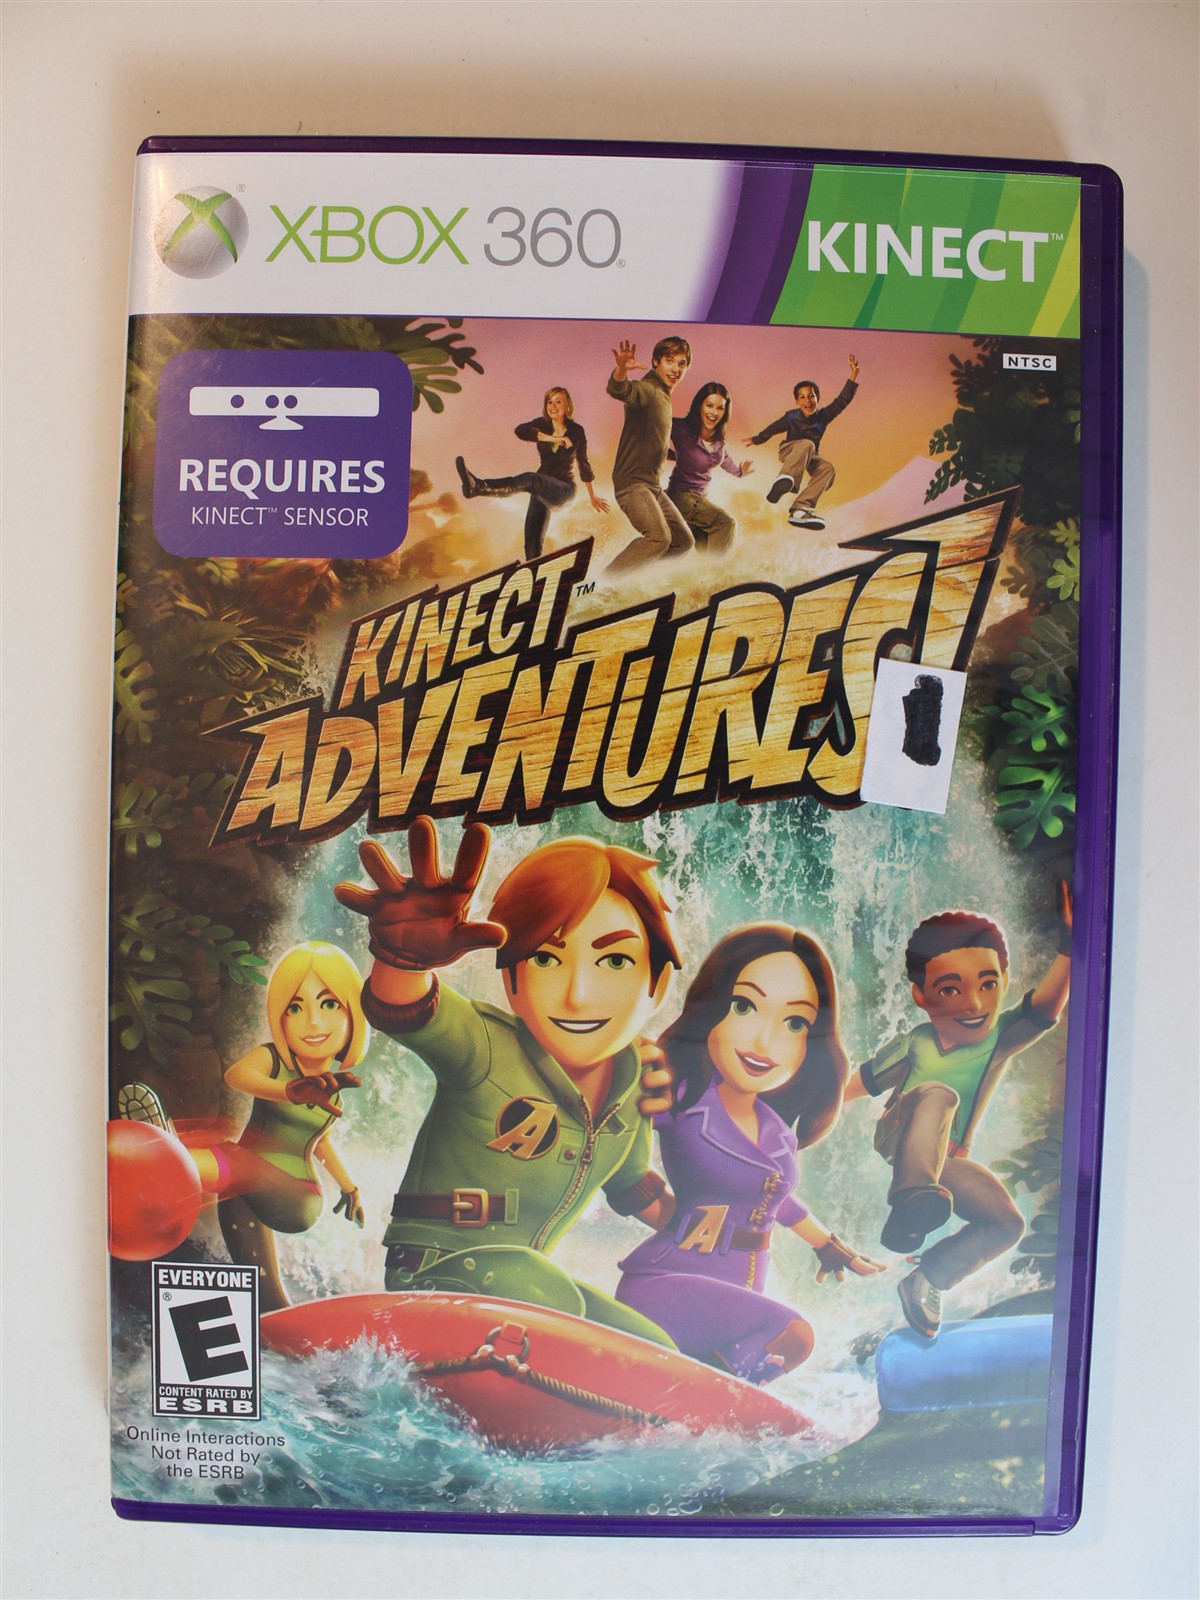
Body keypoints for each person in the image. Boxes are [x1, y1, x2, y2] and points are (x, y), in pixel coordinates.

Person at [333, 816, 681, 1345]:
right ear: (511, 975)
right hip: (434, 1273)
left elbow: (631, 1186)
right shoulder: (485, 1045)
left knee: (656, 1348)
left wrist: (709, 1228)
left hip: (528, 1288)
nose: (578, 995)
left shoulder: (634, 1084)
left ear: (658, 981)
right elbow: (406, 1008)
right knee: (550, 1298)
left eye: (615, 960)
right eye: (545, 958)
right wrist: (402, 958)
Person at [616, 924, 883, 1383]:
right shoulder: (679, 1097)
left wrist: (828, 1245)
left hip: (738, 1287)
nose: (764, 1042)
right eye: (743, 1006)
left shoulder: (776, 1131)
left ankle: (703, 1407)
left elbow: (777, 1196)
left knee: (732, 1373)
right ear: (712, 1008)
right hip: (669, 1284)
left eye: (794, 1024)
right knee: (793, 1336)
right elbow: (615, 1153)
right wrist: (670, 1216)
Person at [844, 885, 1072, 1339]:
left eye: (988, 985)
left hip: (945, 1162)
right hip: (899, 1137)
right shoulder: (915, 1043)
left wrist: (1070, 946)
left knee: (1007, 1223)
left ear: (1005, 980)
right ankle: (910, 1201)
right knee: (939, 1095)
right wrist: (792, 1113)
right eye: (950, 989)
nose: (973, 1004)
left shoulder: (999, 1039)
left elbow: (1045, 1008)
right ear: (921, 995)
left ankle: (927, 1279)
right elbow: (856, 1084)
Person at [116, 942, 370, 1312]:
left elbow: (322, 1143)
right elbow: (237, 1076)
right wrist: (288, 1091)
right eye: (295, 1008)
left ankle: (175, 1159)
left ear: (352, 1014)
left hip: (297, 1196)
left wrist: (351, 1188)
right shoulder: (271, 1060)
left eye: (329, 1004)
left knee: (234, 1160)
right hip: (245, 1186)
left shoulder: (333, 1096)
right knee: (246, 1241)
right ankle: (274, 1318)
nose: (313, 1022)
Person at [454, 386, 609, 562]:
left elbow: (584, 463)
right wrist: (553, 438)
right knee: (531, 544)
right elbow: (520, 430)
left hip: (563, 490)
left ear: (567, 406)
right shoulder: (542, 424)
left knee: (530, 479)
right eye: (550, 402)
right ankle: (534, 571)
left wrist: (592, 497)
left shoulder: (576, 431)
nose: (553, 406)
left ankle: (478, 487)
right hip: (540, 489)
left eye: (558, 402)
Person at [604, 335, 696, 572]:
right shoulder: (650, 389)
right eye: (669, 361)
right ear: (656, 361)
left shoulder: (663, 396)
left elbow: (652, 438)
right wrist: (621, 370)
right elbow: (621, 389)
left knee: (683, 542)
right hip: (632, 485)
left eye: (681, 363)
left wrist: (676, 456)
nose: (675, 369)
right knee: (659, 538)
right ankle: (605, 582)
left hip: (652, 486)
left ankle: (638, 578)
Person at [744, 353, 860, 531]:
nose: (808, 401)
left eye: (811, 396)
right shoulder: (791, 416)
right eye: (803, 397)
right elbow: (774, 428)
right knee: (807, 444)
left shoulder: (824, 416)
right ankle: (784, 479)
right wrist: (756, 439)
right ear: (797, 402)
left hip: (809, 455)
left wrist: (853, 376)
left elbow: (842, 401)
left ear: (817, 398)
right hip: (788, 451)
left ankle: (800, 509)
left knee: (828, 469)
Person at [665, 382, 753, 555]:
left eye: (720, 408)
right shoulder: (681, 427)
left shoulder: (718, 442)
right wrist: (672, 455)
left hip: (700, 500)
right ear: (700, 405)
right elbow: (651, 435)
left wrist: (741, 472)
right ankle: (721, 571)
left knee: (705, 546)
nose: (714, 412)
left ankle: (705, 573)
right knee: (725, 524)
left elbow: (725, 460)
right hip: (681, 496)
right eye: (709, 405)